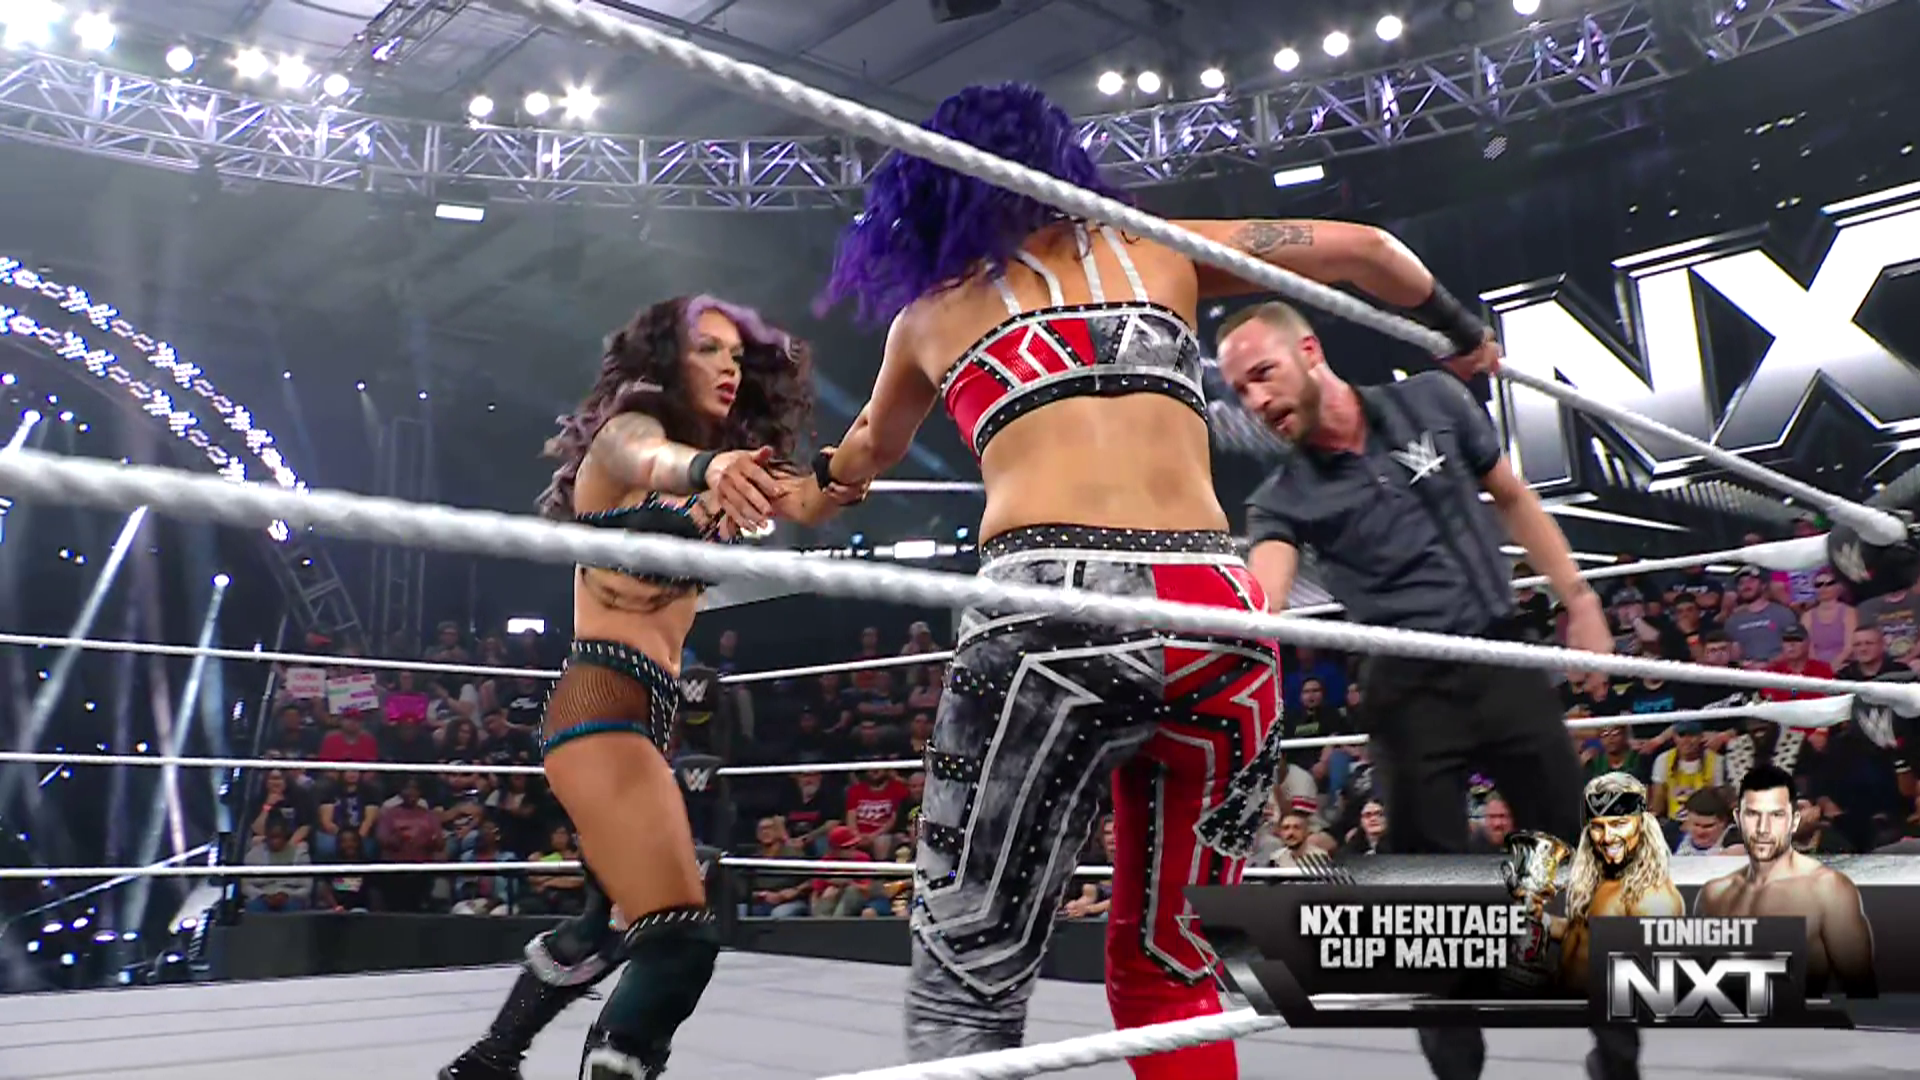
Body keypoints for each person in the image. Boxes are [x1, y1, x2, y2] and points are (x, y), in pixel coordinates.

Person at [789, 80, 1482, 1080]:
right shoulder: (1157, 247)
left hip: (1052, 615)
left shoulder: (930, 316)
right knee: (1175, 967)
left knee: (967, 970)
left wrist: (805, 489)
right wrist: (1462, 334)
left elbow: (859, 456)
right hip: (1220, 618)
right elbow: (1369, 252)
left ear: (934, 186)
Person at [1220, 300, 1638, 1080]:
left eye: (1262, 374)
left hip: (1500, 656)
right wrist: (1246, 611)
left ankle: (1618, 1060)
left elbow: (1511, 495)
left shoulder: (1431, 400)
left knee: (1577, 862)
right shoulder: (1281, 496)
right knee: (1427, 900)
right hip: (1407, 691)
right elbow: (1265, 584)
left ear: (1309, 351)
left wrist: (1579, 597)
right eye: (1240, 391)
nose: (1256, 401)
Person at [440, 295, 820, 1080]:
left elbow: (812, 497)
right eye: (707, 349)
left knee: (605, 925)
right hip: (601, 705)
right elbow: (649, 457)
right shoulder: (625, 439)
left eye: (736, 355)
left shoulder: (720, 484)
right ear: (665, 360)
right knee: (680, 940)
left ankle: (486, 1062)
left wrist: (870, 447)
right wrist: (709, 468)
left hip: (635, 716)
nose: (727, 366)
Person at [1695, 764, 1877, 996]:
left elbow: (1861, 993)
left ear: (1793, 821)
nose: (1763, 828)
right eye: (1753, 814)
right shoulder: (1714, 893)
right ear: (1738, 819)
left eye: (1776, 815)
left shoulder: (1828, 890)